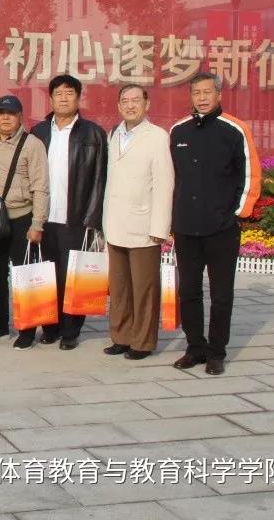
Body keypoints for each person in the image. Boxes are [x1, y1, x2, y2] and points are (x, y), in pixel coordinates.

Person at [170, 72, 260, 376]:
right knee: (189, 292)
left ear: (219, 94)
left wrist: (237, 213)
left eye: (207, 92)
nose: (202, 98)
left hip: (222, 228)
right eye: (196, 92)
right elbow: (173, 177)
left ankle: (216, 352)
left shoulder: (235, 130)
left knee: (221, 295)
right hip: (186, 226)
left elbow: (250, 174)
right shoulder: (178, 131)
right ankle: (194, 347)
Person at [24, 75, 107, 351]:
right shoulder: (38, 132)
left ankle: (71, 331)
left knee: (73, 277)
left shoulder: (93, 133)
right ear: (50, 98)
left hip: (76, 218)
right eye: (58, 93)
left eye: (69, 93)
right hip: (43, 217)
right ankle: (50, 327)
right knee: (47, 276)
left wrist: (93, 219)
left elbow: (100, 178)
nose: (63, 98)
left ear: (78, 97)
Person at [101, 84, 174, 361]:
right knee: (119, 288)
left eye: (135, 100)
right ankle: (121, 336)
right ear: (118, 105)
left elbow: (165, 184)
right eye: (125, 101)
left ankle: (142, 342)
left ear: (147, 104)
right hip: (115, 223)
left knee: (144, 289)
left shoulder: (157, 136)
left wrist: (160, 228)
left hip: (143, 226)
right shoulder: (113, 134)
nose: (130, 105)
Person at [0, 95, 49, 345]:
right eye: (1, 113)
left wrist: (37, 224)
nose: (5, 118)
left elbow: (41, 187)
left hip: (21, 218)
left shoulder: (32, 144)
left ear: (20, 117)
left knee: (24, 276)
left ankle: (27, 330)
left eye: (11, 113)